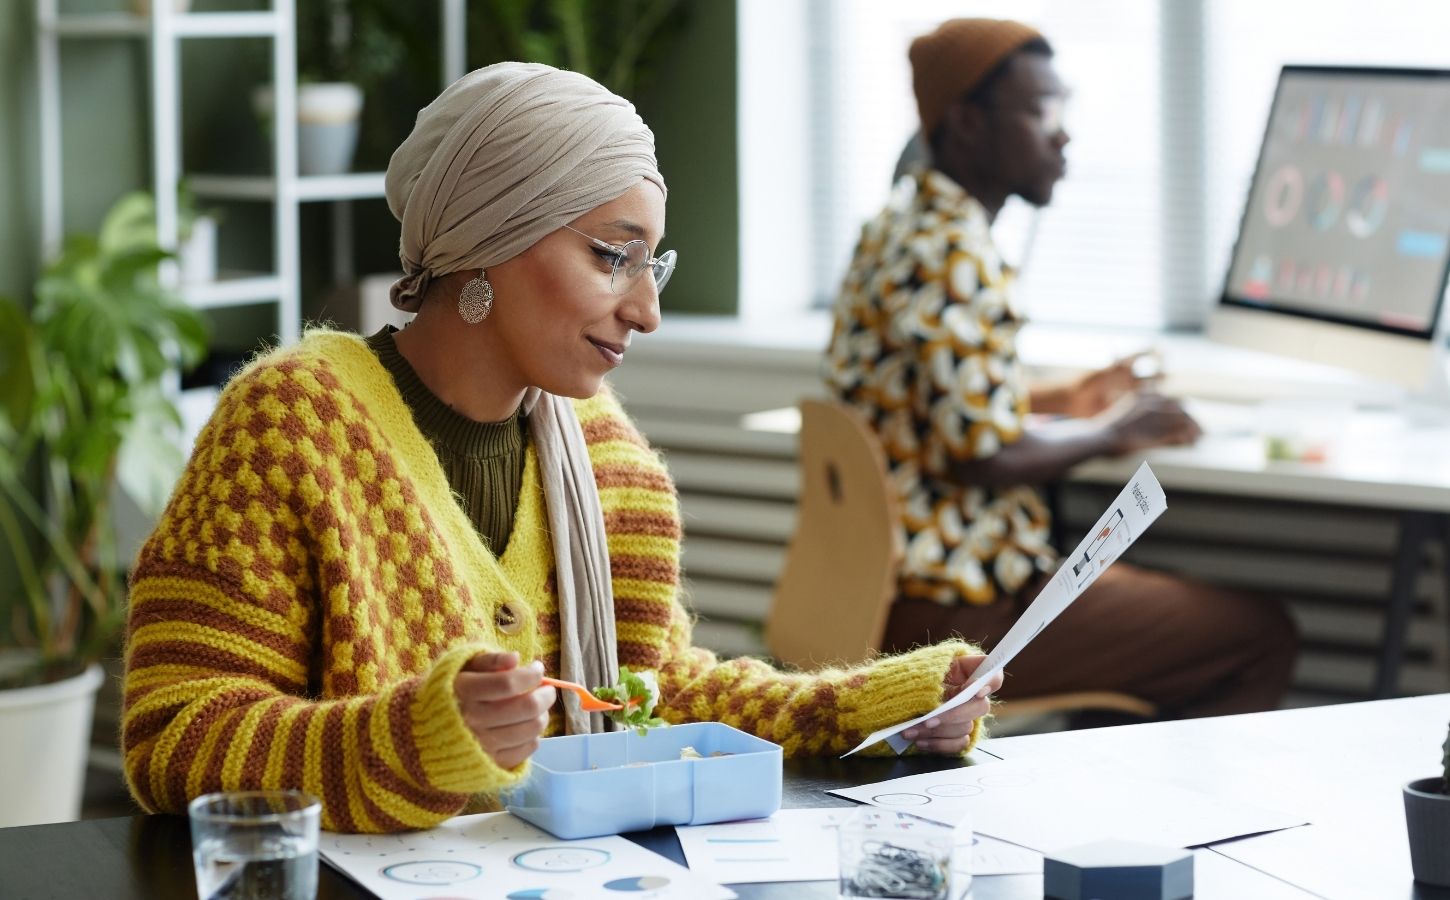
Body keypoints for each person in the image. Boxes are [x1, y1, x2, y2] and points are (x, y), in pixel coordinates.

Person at [121, 62, 1001, 834]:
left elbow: (641, 698)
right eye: (614, 256)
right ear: (489, 241)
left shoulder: (606, 455)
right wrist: (410, 740)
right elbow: (174, 730)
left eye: (652, 267)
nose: (645, 310)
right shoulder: (287, 426)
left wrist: (865, 711)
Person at [825, 19, 1298, 721]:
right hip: (960, 612)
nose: (1064, 135)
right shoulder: (952, 252)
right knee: (1258, 634)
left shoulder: (902, 224)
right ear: (968, 123)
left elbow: (937, 402)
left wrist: (1068, 398)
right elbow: (987, 452)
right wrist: (1116, 429)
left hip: (889, 586)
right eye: (1043, 112)